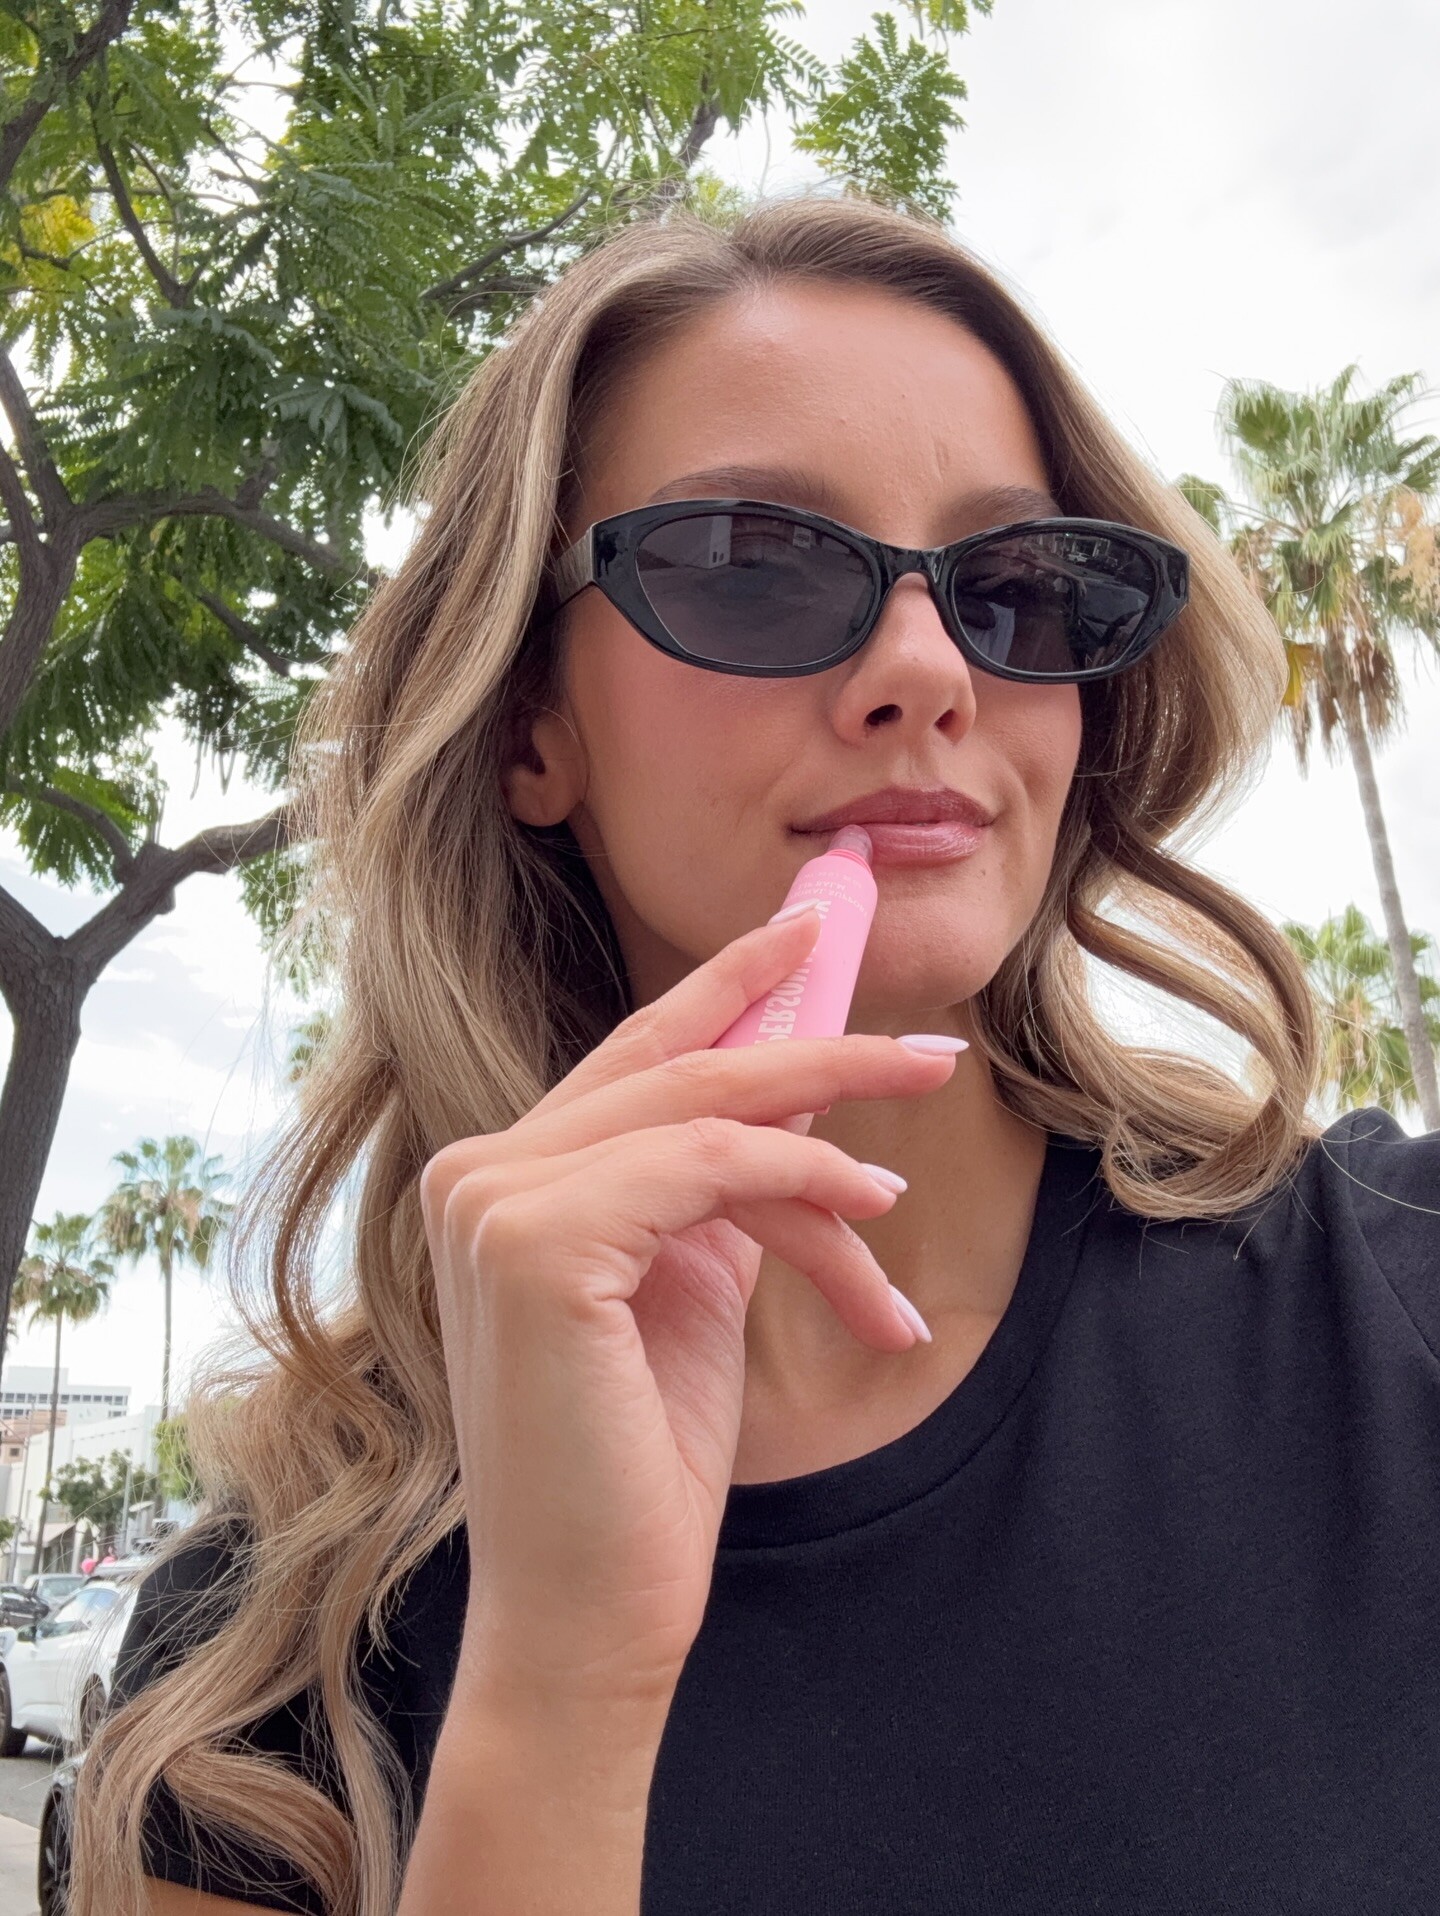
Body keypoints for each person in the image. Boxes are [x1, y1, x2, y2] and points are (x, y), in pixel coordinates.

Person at [69, 194, 1439, 1916]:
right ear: (532, 726)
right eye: (751, 565)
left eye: (1019, 586)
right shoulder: (265, 1662)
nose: (925, 671)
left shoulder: (1399, 1303)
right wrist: (559, 1680)